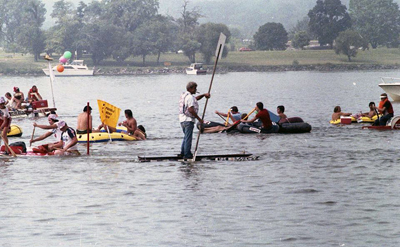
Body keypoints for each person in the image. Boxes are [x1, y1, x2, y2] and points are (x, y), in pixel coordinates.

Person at [179, 81, 210, 159]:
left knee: (186, 136)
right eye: (194, 88)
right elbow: (190, 109)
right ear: (190, 88)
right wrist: (199, 119)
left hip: (182, 119)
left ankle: (183, 153)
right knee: (188, 137)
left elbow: (195, 99)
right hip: (188, 120)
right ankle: (187, 154)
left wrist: (203, 95)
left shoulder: (184, 95)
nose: (196, 90)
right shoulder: (189, 97)